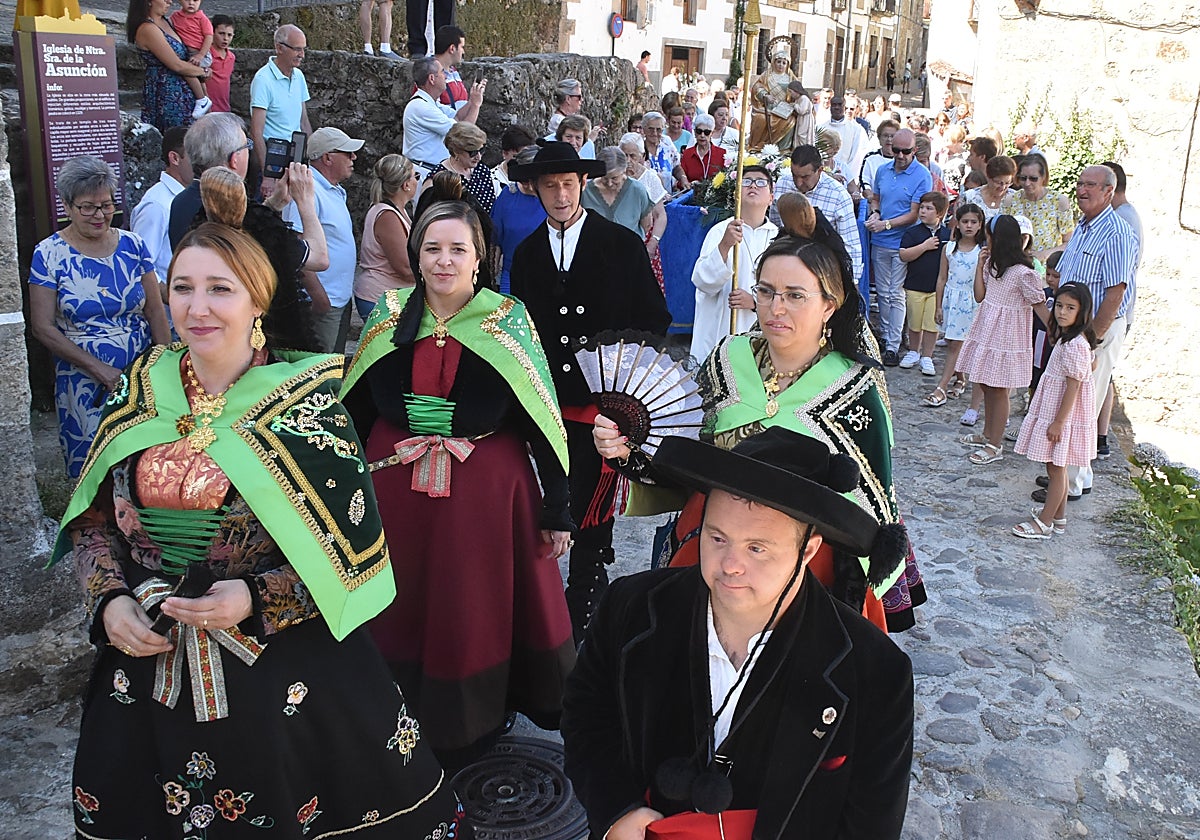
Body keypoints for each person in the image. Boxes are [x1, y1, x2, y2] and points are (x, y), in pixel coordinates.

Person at [54, 210, 470, 839]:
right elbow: (90, 521)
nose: (197, 307)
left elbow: (356, 556)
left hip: (281, 677)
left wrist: (253, 597)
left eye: (221, 288)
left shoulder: (305, 407)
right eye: (183, 286)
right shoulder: (138, 391)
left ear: (258, 301)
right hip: (145, 663)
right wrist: (109, 601)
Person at [564, 427, 914, 840]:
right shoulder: (631, 606)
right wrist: (615, 812)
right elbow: (587, 714)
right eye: (717, 538)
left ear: (808, 550)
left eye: (757, 548)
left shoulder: (876, 672)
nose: (729, 565)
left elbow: (870, 823)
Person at [593, 195, 923, 632]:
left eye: (795, 296)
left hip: (805, 572)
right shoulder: (729, 360)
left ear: (830, 305)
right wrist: (627, 448)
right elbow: (682, 457)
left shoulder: (853, 386)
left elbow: (870, 500)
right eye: (765, 292)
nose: (775, 308)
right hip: (712, 551)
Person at [341, 199, 575, 770]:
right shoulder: (389, 314)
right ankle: (389, 710)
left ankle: (474, 722)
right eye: (432, 248)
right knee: (401, 602)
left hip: (485, 500)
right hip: (394, 493)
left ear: (480, 258)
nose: (444, 261)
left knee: (472, 604)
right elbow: (355, 410)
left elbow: (539, 415)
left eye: (458, 249)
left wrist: (557, 507)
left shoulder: (507, 320)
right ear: (416, 256)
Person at [508, 142, 671, 642]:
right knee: (554, 494)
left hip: (602, 400)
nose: (559, 195)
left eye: (567, 184)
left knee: (592, 499)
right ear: (535, 189)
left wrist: (623, 384)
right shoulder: (527, 252)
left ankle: (584, 590)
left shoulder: (619, 243)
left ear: (582, 185)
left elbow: (653, 317)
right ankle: (555, 591)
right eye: (549, 185)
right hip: (548, 397)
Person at [29, 156, 172, 479]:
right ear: (67, 205)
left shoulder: (133, 246)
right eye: (88, 207)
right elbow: (42, 327)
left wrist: (164, 365)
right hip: (83, 381)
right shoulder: (49, 254)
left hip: (139, 375)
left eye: (106, 206)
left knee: (145, 467)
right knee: (95, 472)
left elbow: (153, 308)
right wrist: (98, 369)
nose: (100, 215)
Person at [1042, 165, 1136, 503]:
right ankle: (1067, 474)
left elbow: (1116, 292)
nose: (1082, 190)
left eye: (1091, 185)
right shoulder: (1083, 226)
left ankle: (1072, 482)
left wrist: (1091, 337)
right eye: (1080, 183)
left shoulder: (1116, 233)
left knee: (1084, 403)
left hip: (1097, 330)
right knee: (1075, 399)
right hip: (1075, 329)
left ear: (1109, 191)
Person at [956, 214, 1050, 466]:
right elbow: (979, 296)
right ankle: (988, 433)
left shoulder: (1023, 273)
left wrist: (1057, 331)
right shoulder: (992, 266)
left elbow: (1039, 305)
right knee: (986, 384)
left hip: (1007, 337)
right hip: (987, 330)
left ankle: (995, 445)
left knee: (999, 390)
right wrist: (979, 266)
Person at [1013, 282, 1097, 539]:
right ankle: (1059, 518)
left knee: (1056, 468)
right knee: (1054, 464)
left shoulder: (1074, 345)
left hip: (1061, 411)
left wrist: (1060, 421)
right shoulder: (1069, 338)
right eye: (1059, 305)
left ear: (1082, 313)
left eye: (1070, 308)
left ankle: (1045, 522)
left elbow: (1074, 384)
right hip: (1055, 406)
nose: (1062, 312)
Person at [283, 127, 365, 354]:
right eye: (347, 153)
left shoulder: (332, 190)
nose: (354, 158)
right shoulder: (308, 190)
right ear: (328, 157)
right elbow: (297, 247)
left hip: (337, 298)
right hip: (324, 300)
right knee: (321, 370)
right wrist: (319, 297)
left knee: (333, 366)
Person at [690, 164, 778, 364]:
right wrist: (725, 245)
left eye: (761, 182)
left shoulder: (778, 238)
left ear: (771, 197)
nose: (753, 186)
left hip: (763, 334)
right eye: (746, 182)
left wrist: (756, 303)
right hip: (722, 331)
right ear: (737, 194)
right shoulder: (721, 231)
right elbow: (703, 281)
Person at [865, 128, 932, 366]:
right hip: (880, 239)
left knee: (896, 293)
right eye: (896, 151)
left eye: (905, 151)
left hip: (902, 241)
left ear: (914, 150)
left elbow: (915, 214)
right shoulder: (883, 170)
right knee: (882, 293)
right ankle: (886, 336)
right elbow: (877, 198)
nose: (900, 155)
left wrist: (886, 224)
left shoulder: (922, 175)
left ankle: (893, 344)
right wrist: (875, 214)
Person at [771, 144, 863, 283]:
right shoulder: (783, 184)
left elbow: (850, 243)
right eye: (794, 175)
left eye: (805, 177)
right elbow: (774, 225)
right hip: (785, 264)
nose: (798, 182)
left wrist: (852, 282)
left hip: (821, 269)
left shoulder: (838, 195)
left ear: (820, 170)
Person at [925, 202, 985, 406]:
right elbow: (941, 278)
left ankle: (941, 387)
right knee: (953, 342)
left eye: (973, 222)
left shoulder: (982, 252)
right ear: (957, 224)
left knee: (956, 346)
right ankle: (960, 378)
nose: (969, 226)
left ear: (980, 225)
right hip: (952, 299)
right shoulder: (949, 249)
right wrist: (938, 305)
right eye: (965, 221)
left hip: (970, 302)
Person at [127, 0, 209, 132]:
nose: (170, 1)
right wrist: (202, 71)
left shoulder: (167, 22)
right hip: (165, 94)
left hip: (185, 92)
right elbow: (176, 64)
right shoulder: (148, 28)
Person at [354, 153, 418, 319]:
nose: (417, 181)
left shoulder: (397, 210)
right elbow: (404, 268)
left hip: (391, 296)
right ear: (406, 185)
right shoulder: (388, 216)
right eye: (415, 176)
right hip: (381, 297)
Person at [402, 57, 485, 182]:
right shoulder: (420, 107)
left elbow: (457, 117)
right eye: (442, 72)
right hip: (425, 173)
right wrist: (476, 105)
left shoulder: (430, 103)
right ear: (432, 79)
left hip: (433, 171)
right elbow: (462, 133)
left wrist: (472, 100)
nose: (446, 76)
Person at [898, 191, 951, 376]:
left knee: (932, 323)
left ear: (940, 213)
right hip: (915, 285)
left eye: (929, 208)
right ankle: (913, 351)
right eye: (922, 207)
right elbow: (903, 255)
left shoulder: (948, 234)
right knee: (914, 321)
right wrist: (924, 246)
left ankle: (927, 356)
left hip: (937, 288)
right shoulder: (913, 232)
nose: (923, 211)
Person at [131, 126, 190, 289]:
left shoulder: (190, 196)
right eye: (195, 155)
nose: (202, 161)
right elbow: (141, 265)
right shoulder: (156, 205)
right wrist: (171, 297)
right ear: (175, 158)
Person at [249, 25, 312, 178]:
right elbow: (256, 131)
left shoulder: (299, 76)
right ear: (279, 48)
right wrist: (267, 174)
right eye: (297, 49)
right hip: (274, 156)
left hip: (295, 154)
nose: (302, 55)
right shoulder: (263, 80)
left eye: (303, 49)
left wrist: (311, 156)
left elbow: (304, 121)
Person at [491, 147, 548, 295]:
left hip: (547, 275)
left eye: (534, 180)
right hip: (512, 274)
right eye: (524, 180)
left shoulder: (554, 198)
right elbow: (495, 240)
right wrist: (491, 276)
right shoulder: (507, 196)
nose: (529, 185)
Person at [619, 133, 670, 291]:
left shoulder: (650, 178)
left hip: (644, 240)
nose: (628, 160)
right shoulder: (613, 176)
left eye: (632, 156)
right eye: (624, 155)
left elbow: (660, 215)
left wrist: (653, 242)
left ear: (641, 156)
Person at [1001, 153, 1074, 261]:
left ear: (1043, 177)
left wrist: (1044, 254)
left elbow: (1069, 242)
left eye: (1033, 178)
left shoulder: (1059, 201)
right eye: (1023, 178)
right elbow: (1002, 237)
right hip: (1016, 266)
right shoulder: (1010, 201)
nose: (1027, 183)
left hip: (1047, 270)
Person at [582, 147, 658, 245]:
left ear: (624, 170)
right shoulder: (586, 192)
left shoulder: (637, 190)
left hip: (630, 251)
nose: (609, 183)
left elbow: (646, 224)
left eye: (614, 178)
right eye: (604, 178)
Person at [749, 48, 813, 152]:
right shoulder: (766, 76)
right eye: (778, 62)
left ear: (788, 64)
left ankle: (783, 150)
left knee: (790, 121)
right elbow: (757, 87)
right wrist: (765, 95)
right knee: (761, 119)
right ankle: (758, 147)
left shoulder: (791, 77)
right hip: (767, 108)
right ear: (773, 62)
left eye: (784, 63)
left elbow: (799, 93)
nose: (781, 65)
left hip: (785, 108)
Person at [426, 121, 497, 213]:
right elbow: (427, 213)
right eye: (473, 152)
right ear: (456, 151)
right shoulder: (438, 177)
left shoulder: (482, 171)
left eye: (481, 150)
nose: (478, 157)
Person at [169, 0, 214, 118]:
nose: (191, 3)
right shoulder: (175, 16)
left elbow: (209, 37)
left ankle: (201, 99)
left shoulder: (201, 18)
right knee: (199, 80)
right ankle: (207, 106)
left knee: (187, 71)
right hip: (187, 52)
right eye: (187, 0)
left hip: (199, 52)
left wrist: (201, 55)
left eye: (195, 0)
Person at [548, 78, 604, 158]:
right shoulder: (558, 121)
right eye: (579, 97)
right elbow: (571, 150)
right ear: (568, 99)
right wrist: (589, 139)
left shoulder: (561, 118)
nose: (582, 100)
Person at [821, 96, 869, 185]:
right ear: (830, 107)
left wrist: (846, 174)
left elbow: (856, 155)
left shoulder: (855, 129)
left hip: (845, 175)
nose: (836, 107)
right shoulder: (821, 127)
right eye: (834, 105)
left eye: (840, 105)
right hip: (824, 175)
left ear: (844, 107)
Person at [960, 154, 1016, 221]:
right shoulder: (969, 197)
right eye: (998, 182)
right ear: (988, 177)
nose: (1003, 187)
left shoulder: (1013, 197)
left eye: (1007, 183)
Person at [641, 111, 687, 192]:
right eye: (651, 129)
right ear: (644, 129)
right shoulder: (639, 147)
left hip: (668, 198)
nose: (655, 133)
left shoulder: (666, 142)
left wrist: (683, 178)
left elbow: (676, 166)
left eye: (658, 129)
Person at [859, 119, 899, 201]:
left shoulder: (903, 158)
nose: (889, 139)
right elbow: (864, 180)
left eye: (892, 136)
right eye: (885, 135)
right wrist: (870, 195)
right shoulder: (870, 158)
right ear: (879, 138)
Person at [680, 113, 726, 184]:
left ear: (712, 133)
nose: (702, 135)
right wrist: (689, 184)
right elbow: (680, 181)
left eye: (707, 132)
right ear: (695, 132)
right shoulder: (687, 153)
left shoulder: (722, 154)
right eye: (699, 131)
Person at [433, 25, 469, 110]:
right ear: (452, 48)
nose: (463, 52)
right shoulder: (431, 73)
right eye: (462, 47)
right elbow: (432, 112)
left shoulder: (453, 71)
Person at [207, 14, 236, 113]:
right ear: (213, 32)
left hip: (224, 108)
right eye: (221, 33)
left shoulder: (231, 57)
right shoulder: (206, 55)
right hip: (208, 109)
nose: (225, 38)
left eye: (229, 35)